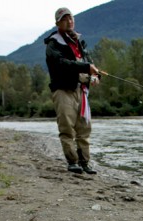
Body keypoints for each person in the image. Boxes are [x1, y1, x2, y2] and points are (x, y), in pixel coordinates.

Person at [44, 7, 100, 174]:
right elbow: (61, 64)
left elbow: (90, 64)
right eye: (64, 19)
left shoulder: (80, 43)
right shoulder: (53, 44)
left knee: (84, 128)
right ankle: (72, 162)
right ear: (58, 23)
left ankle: (85, 163)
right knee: (67, 128)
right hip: (63, 90)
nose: (69, 21)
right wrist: (86, 67)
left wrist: (96, 76)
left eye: (71, 18)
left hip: (81, 90)